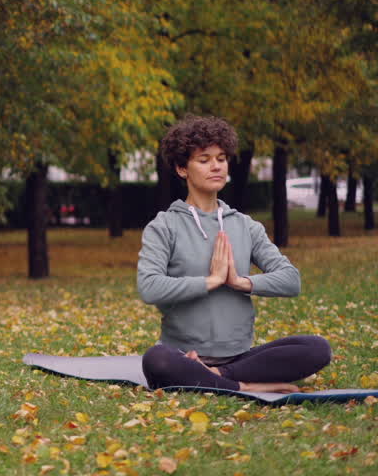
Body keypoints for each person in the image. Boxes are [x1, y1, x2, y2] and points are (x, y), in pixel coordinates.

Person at [137, 115, 331, 393]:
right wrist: (211, 281)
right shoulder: (164, 226)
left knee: (317, 348)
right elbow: (149, 288)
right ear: (182, 169)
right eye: (204, 160)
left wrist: (241, 282)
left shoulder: (245, 225)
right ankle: (244, 385)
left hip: (240, 357)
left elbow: (291, 280)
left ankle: (216, 376)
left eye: (221, 158)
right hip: (183, 356)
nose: (216, 166)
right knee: (157, 359)